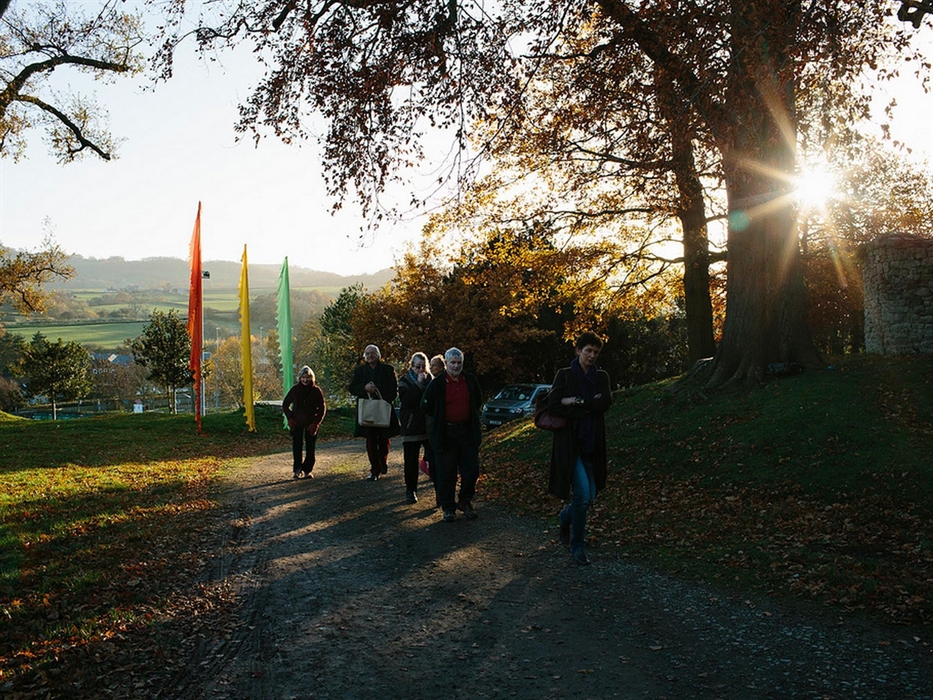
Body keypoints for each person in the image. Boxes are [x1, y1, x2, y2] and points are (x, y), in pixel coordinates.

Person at [546, 332, 613, 565]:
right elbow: (553, 405)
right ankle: (578, 546)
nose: (592, 355)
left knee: (590, 496)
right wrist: (584, 403)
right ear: (578, 351)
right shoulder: (564, 375)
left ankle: (565, 517)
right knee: (582, 495)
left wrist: (575, 401)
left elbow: (605, 402)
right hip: (570, 446)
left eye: (596, 352)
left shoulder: (601, 377)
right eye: (588, 350)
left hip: (592, 444)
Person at [422, 347, 484, 522]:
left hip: (467, 432)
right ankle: (448, 508)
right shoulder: (437, 384)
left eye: (459, 363)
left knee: (471, 470)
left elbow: (477, 401)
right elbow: (426, 406)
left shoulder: (470, 380)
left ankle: (465, 500)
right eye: (453, 363)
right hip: (445, 433)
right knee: (446, 473)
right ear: (446, 364)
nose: (456, 366)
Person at [349, 344, 400, 480]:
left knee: (384, 440)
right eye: (367, 354)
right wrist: (364, 388)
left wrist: (384, 400)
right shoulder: (360, 372)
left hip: (383, 410)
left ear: (378, 355)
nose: (370, 356)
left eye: (372, 353)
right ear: (364, 356)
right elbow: (352, 388)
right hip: (367, 412)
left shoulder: (388, 370)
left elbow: (393, 390)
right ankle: (374, 469)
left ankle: (382, 460)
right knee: (370, 441)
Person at [397, 352, 434, 504]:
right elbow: (407, 401)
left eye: (423, 367)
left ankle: (440, 490)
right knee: (410, 461)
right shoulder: (404, 381)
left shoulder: (431, 380)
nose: (420, 370)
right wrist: (418, 384)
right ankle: (410, 490)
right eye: (417, 367)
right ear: (411, 367)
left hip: (428, 427)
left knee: (434, 459)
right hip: (411, 427)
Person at [282, 365, 327, 479]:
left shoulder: (316, 391)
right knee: (297, 446)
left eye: (308, 377)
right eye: (303, 377)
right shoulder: (295, 389)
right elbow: (285, 404)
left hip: (311, 423)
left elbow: (322, 408)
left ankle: (307, 470)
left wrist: (316, 423)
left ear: (312, 378)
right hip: (297, 422)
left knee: (310, 448)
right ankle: (297, 470)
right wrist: (290, 418)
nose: (305, 380)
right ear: (300, 378)